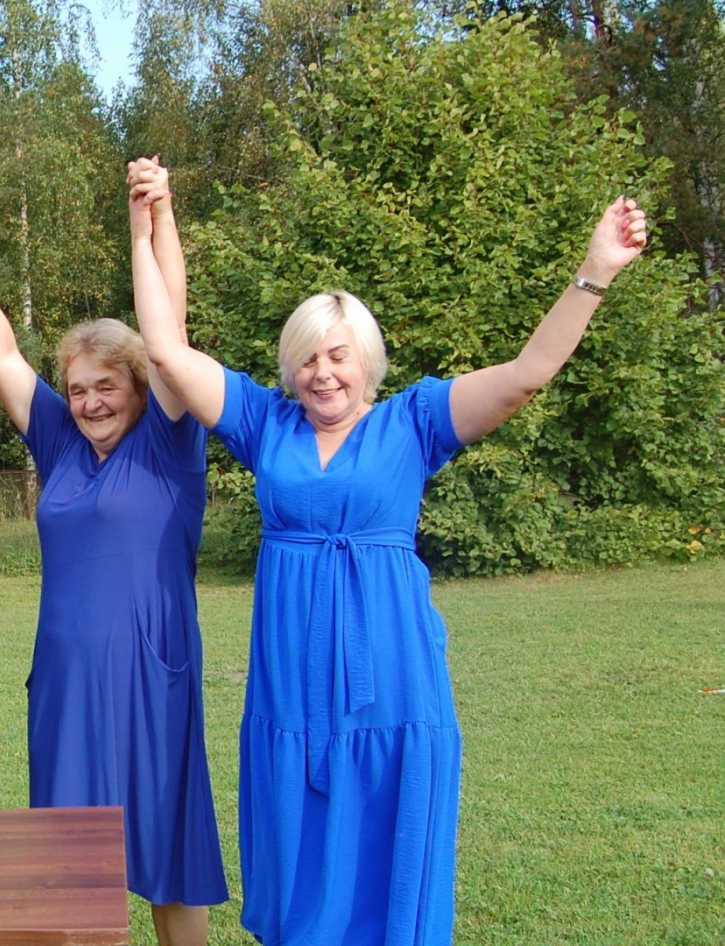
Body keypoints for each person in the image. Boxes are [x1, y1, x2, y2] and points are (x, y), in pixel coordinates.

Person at [129, 168, 649, 944]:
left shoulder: (415, 421)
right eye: (307, 358)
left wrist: (595, 270)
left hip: (392, 674)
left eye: (338, 355)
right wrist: (148, 223)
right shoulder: (265, 422)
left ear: (366, 360)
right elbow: (167, 351)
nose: (322, 373)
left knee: (386, 849)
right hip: (291, 681)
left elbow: (526, 376)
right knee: (300, 854)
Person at [0, 159, 226, 946]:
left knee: (168, 854)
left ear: (138, 386)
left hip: (152, 674)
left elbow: (170, 335)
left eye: (106, 386)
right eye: (77, 389)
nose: (90, 401)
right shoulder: (61, 442)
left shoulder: (170, 441)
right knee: (69, 868)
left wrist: (152, 221)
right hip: (66, 680)